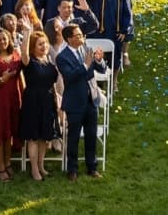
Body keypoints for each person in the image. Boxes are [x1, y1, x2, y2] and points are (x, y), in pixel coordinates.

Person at [57, 24, 107, 181]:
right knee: (73, 137)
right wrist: (85, 65)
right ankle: (72, 169)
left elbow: (101, 70)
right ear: (69, 39)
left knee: (91, 135)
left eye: (81, 35)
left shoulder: (86, 50)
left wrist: (99, 61)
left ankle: (92, 167)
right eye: (78, 35)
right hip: (74, 102)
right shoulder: (62, 57)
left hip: (90, 100)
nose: (82, 38)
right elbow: (70, 77)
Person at [18, 30, 62, 182]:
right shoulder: (29, 61)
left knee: (45, 136)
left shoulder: (49, 61)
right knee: (33, 137)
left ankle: (41, 165)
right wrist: (26, 32)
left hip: (48, 101)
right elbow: (23, 51)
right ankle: (34, 169)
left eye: (45, 43)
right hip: (33, 102)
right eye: (40, 44)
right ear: (33, 47)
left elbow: (52, 84)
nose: (44, 46)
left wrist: (56, 100)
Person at [0, 29, 23, 182]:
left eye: (4, 39)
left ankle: (8, 163)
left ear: (9, 39)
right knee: (0, 133)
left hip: (14, 98)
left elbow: (21, 77)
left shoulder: (15, 56)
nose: (2, 42)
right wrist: (4, 78)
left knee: (10, 133)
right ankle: (0, 167)